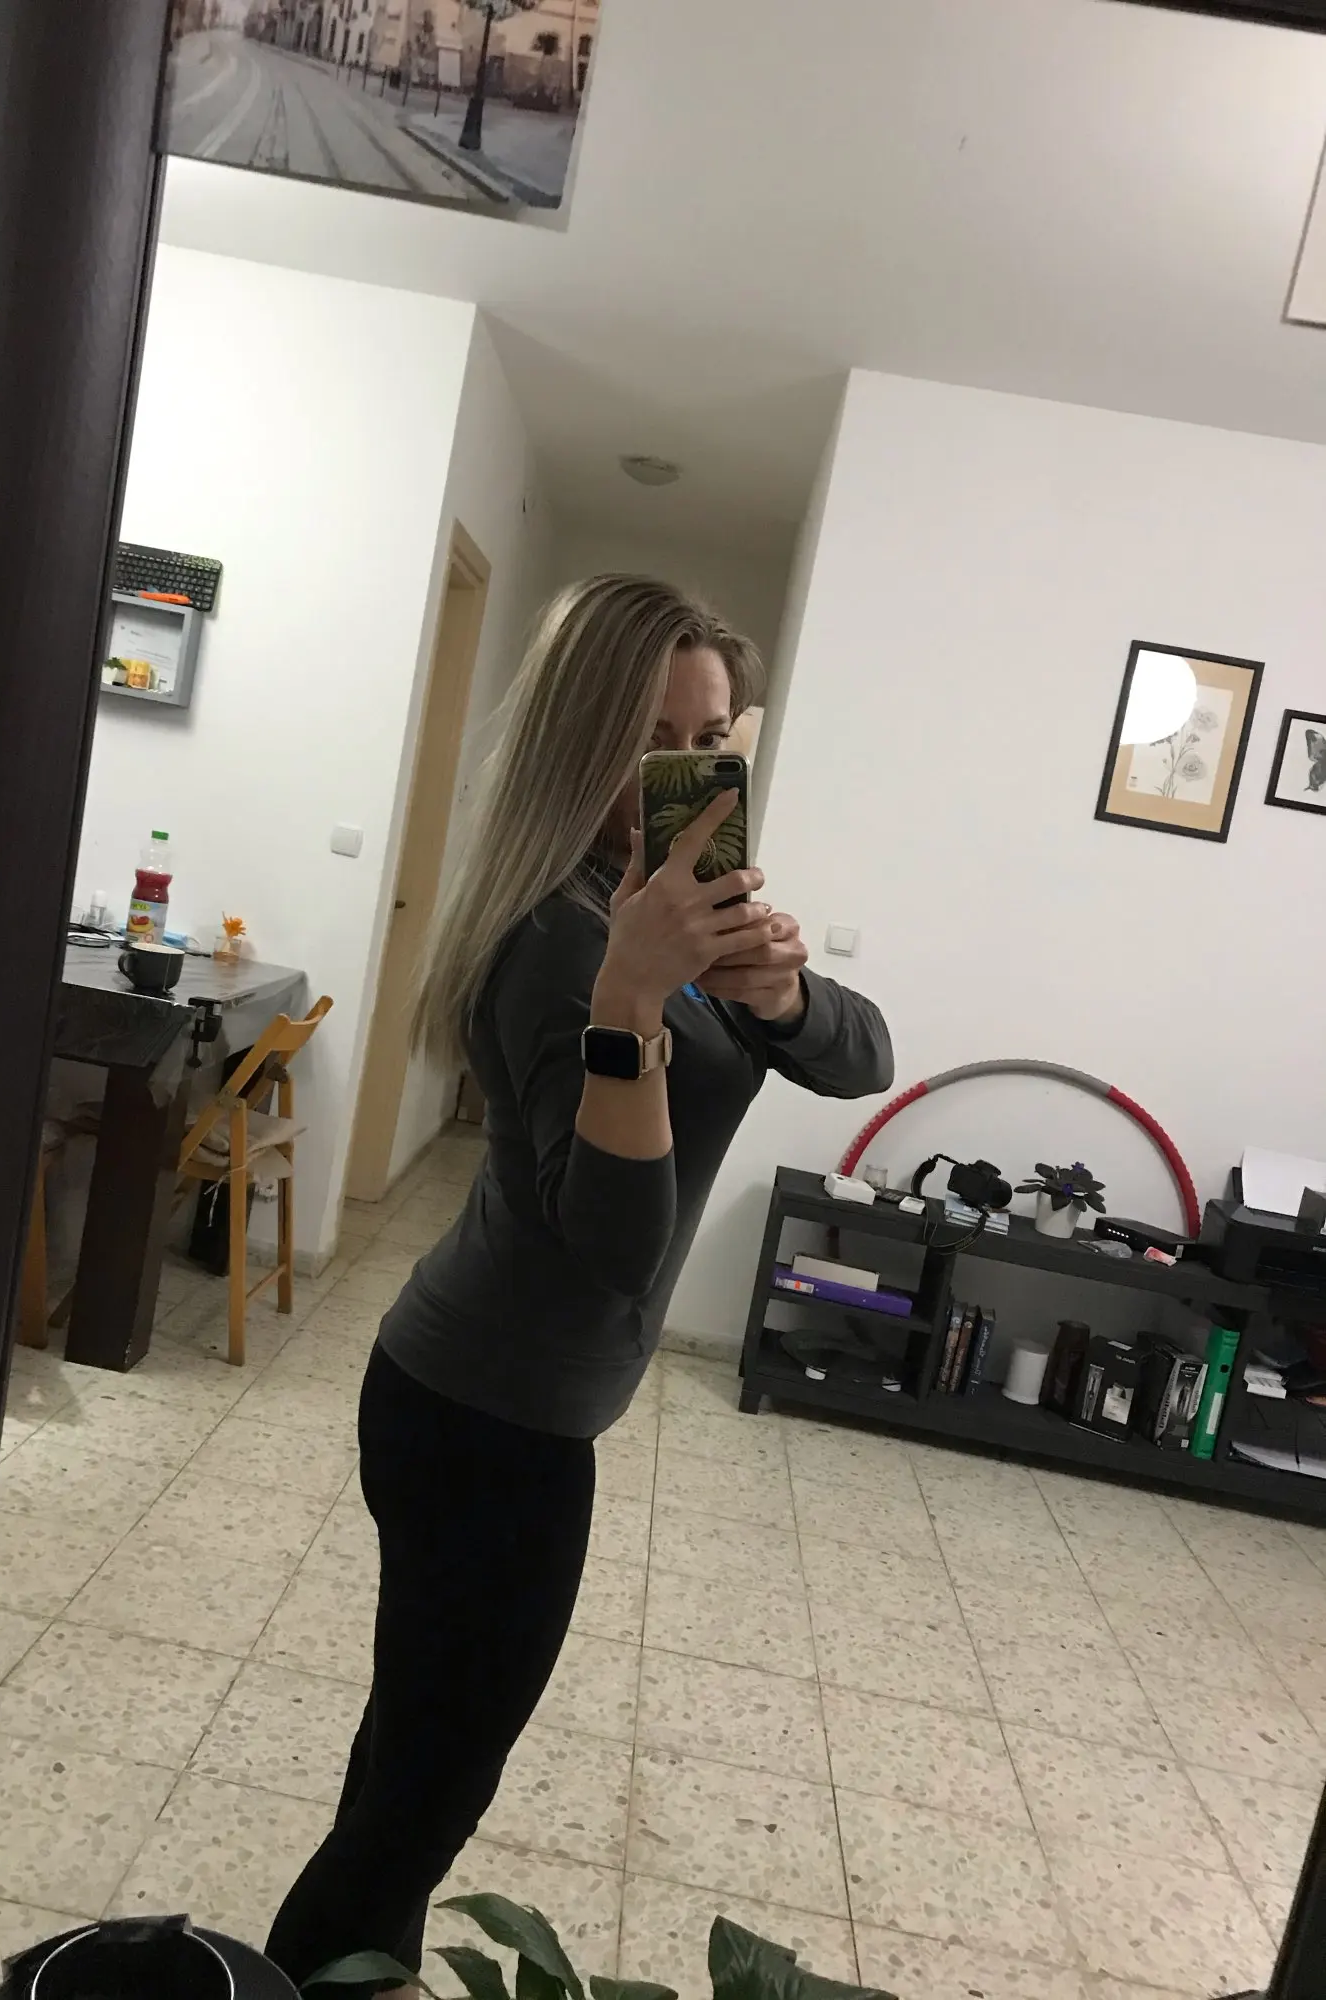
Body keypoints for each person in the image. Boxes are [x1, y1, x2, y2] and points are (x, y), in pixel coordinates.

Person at [265, 575, 893, 1986]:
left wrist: (779, 992)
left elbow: (865, 1060)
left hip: (493, 1403)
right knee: (412, 1818)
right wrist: (632, 1002)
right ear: (577, 738)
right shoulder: (564, 939)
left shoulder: (662, 905)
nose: (685, 770)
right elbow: (616, 1248)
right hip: (487, 1422)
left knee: (407, 1770)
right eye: (648, 738)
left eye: (709, 738)